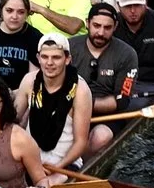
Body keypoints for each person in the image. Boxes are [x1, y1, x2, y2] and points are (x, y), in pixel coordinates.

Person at [16, 31, 101, 168]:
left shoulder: (81, 90)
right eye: (44, 57)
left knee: (46, 186)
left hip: (64, 164)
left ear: (67, 59)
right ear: (38, 58)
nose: (49, 63)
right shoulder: (29, 81)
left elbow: (81, 142)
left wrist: (58, 167)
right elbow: (13, 120)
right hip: (30, 160)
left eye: (56, 57)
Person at [71, 2, 142, 116]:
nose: (101, 33)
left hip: (106, 115)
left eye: (107, 27)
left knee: (100, 134)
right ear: (87, 23)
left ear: (115, 27)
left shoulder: (127, 54)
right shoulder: (68, 48)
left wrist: (83, 105)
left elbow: (122, 100)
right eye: (96, 25)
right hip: (68, 111)